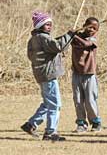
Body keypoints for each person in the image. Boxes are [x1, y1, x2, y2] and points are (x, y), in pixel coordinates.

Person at [21, 11, 75, 141]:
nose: (49, 26)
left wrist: (67, 37)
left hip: (41, 75)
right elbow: (58, 46)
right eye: (46, 25)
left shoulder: (34, 39)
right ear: (39, 26)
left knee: (48, 103)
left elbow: (55, 46)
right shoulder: (44, 38)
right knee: (55, 104)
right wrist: (69, 35)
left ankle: (31, 124)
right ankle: (50, 132)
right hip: (48, 76)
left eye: (50, 24)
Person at [71, 17, 102, 133]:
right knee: (78, 100)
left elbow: (85, 44)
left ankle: (95, 122)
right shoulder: (75, 38)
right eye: (89, 26)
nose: (91, 30)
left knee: (90, 100)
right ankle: (81, 123)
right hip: (76, 73)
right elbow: (68, 43)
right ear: (84, 25)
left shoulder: (93, 40)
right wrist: (71, 35)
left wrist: (74, 35)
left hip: (89, 74)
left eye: (94, 28)